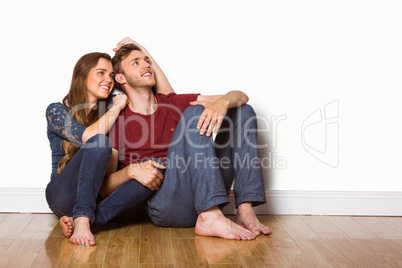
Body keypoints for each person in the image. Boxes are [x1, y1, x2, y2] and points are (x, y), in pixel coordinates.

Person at [104, 38, 271, 240]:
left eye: (147, 60)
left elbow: (242, 96)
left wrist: (222, 103)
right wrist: (130, 172)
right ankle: (209, 216)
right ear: (121, 78)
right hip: (167, 203)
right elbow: (105, 188)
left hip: (203, 190)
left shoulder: (171, 102)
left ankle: (245, 211)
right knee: (193, 113)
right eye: (136, 62)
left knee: (242, 111)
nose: (146, 64)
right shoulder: (118, 119)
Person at [45, 42, 174, 246]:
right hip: (63, 194)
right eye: (101, 73)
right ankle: (81, 217)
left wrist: (146, 52)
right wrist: (117, 108)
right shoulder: (56, 110)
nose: (108, 79)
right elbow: (89, 137)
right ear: (82, 76)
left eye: (111, 75)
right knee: (100, 142)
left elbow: (168, 99)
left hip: (100, 196)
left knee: (152, 169)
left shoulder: (111, 105)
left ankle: (85, 221)